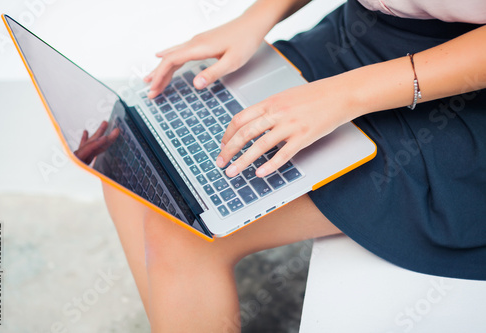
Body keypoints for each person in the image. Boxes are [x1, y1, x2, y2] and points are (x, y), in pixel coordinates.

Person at [100, 0, 486, 331]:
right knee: (130, 152)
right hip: (355, 39)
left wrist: (346, 95)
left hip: (457, 94)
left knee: (186, 228)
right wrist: (256, 18)